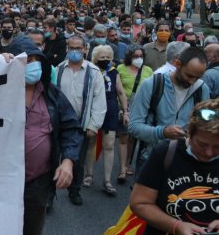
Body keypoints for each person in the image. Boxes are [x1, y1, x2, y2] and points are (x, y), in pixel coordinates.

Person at [6, 37, 83, 235]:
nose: (32, 65)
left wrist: (67, 162)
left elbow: (71, 128)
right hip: (0, 183)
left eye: (35, 59)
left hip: (36, 183)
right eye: (25, 60)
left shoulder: (51, 94)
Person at [130, 99, 219, 235]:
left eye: (217, 147)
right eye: (202, 144)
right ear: (189, 133)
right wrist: (176, 227)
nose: (209, 153)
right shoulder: (165, 153)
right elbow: (140, 203)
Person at [129, 47, 210, 170]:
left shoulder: (202, 89)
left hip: (186, 161)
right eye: (189, 75)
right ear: (178, 64)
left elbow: (204, 125)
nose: (192, 82)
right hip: (151, 159)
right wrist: (163, 132)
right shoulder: (152, 84)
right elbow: (134, 127)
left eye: (197, 78)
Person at [55, 36, 107, 206]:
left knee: (77, 160)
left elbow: (99, 100)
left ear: (85, 49)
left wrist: (94, 125)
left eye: (78, 48)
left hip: (80, 125)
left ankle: (74, 191)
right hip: (59, 123)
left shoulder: (93, 72)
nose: (75, 51)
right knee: (53, 157)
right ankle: (50, 194)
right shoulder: (59, 69)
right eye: (72, 48)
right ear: (67, 49)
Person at [84, 45, 129, 196]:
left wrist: (125, 110)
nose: (105, 60)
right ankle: (88, 175)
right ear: (95, 58)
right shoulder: (91, 70)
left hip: (110, 109)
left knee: (109, 145)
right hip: (94, 108)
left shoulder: (113, 72)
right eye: (101, 57)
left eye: (107, 57)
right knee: (91, 143)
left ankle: (107, 180)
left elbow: (121, 92)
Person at [116, 45, 154, 183]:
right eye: (135, 56)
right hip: (124, 107)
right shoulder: (121, 69)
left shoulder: (148, 71)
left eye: (141, 56)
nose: (139, 59)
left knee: (132, 138)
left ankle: (127, 163)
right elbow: (118, 89)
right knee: (124, 137)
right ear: (129, 57)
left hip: (141, 108)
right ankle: (122, 169)